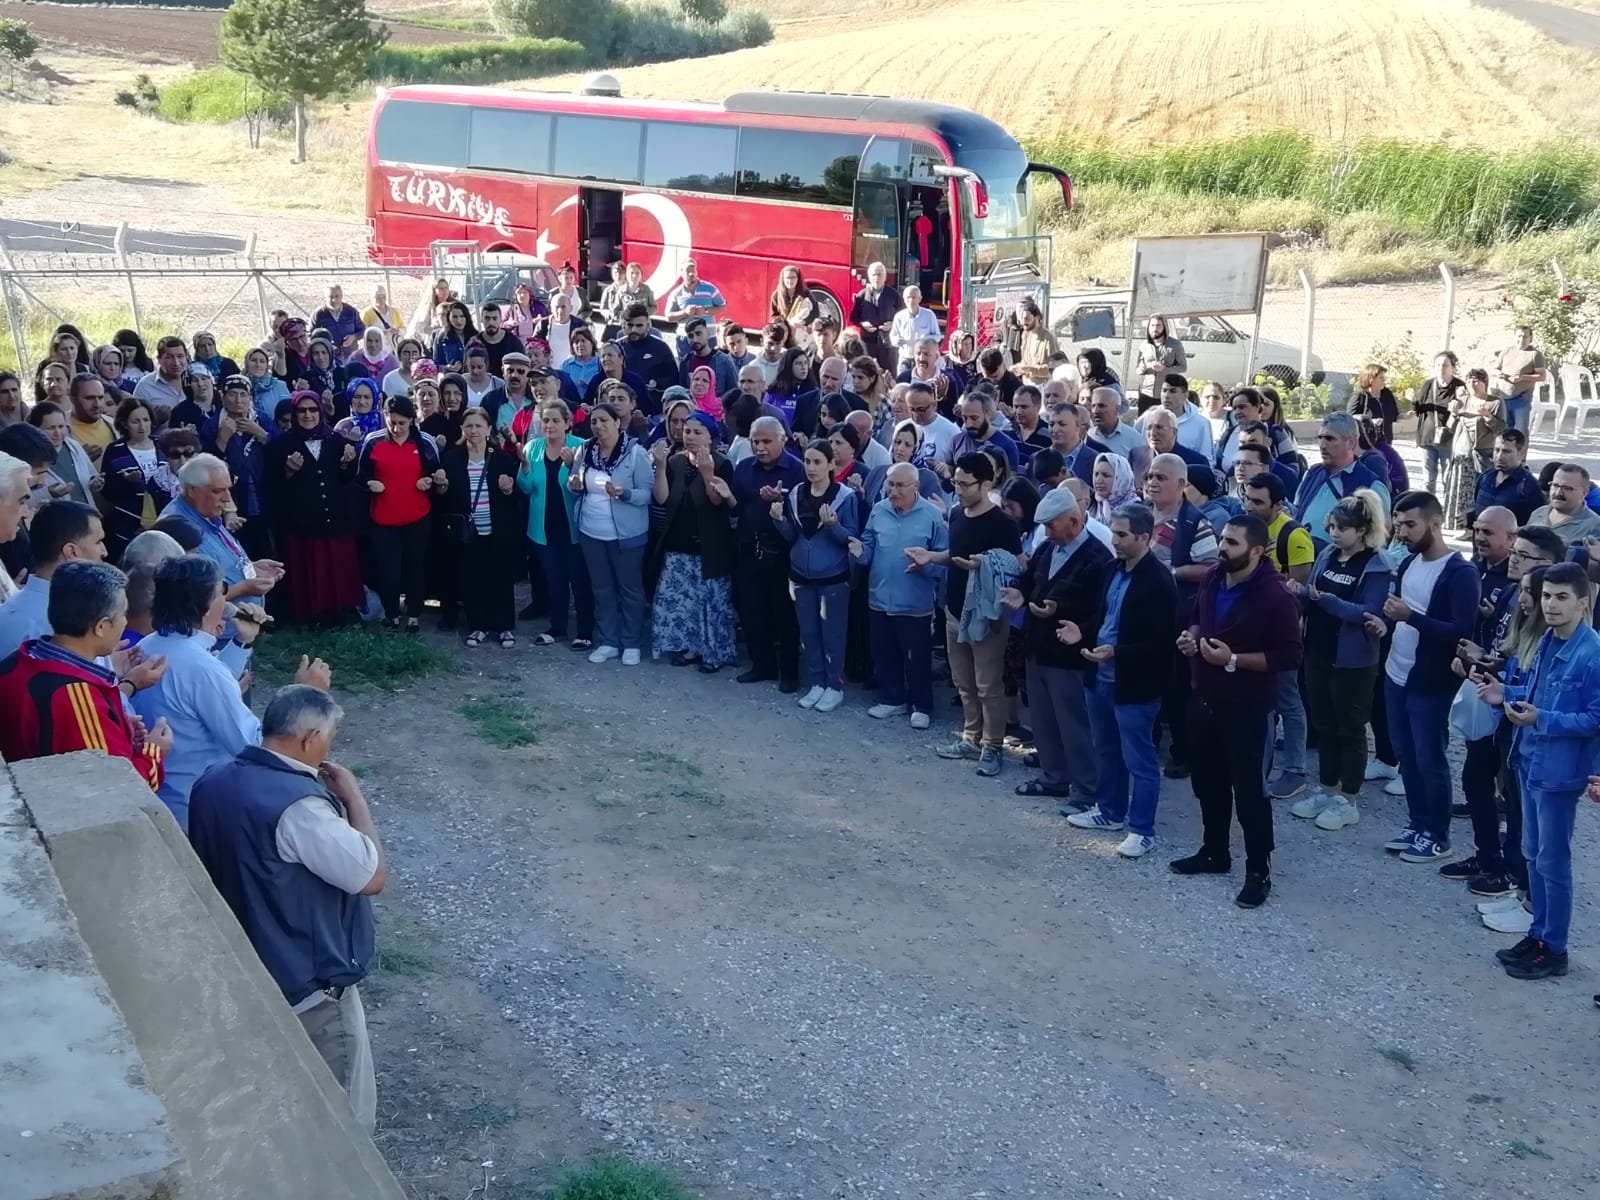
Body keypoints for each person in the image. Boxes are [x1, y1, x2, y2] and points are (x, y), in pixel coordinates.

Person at [187, 685, 384, 1132]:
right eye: (332, 734)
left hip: (247, 968)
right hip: (310, 984)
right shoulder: (302, 808)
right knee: (343, 1124)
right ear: (311, 737)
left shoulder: (211, 779)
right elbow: (370, 877)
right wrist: (354, 800)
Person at [132, 554, 329, 828]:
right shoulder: (200, 668)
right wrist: (303, 693)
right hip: (195, 811)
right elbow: (256, 745)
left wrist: (241, 643)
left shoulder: (148, 646)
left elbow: (199, 691)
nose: (225, 602)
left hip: (164, 797)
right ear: (205, 605)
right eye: (219, 594)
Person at [1168, 515, 1302, 906]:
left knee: (1250, 794)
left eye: (1232, 543)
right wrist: (1191, 637)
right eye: (1223, 540)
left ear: (1257, 551)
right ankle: (1214, 852)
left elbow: (1290, 656)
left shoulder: (1276, 596)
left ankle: (1258, 871)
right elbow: (1198, 617)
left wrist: (1234, 659)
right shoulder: (1213, 576)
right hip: (1205, 700)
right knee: (1207, 784)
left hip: (1249, 710)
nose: (1223, 548)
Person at [1476, 561, 1600, 979]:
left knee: (1552, 858)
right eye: (1547, 595)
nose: (1550, 604)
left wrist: (1541, 718)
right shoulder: (1548, 639)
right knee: (1532, 852)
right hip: (1528, 759)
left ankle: (1556, 947)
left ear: (1583, 602)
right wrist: (1502, 693)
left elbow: (1594, 718)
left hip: (1559, 771)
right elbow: (1532, 693)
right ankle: (1539, 934)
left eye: (1562, 597)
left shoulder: (1592, 653)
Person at [1059, 501, 1177, 850]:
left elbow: (1160, 643)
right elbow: (1105, 618)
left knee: (1140, 761)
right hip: (1101, 677)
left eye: (1122, 534)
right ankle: (1109, 812)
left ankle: (1142, 830)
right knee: (1106, 750)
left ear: (1145, 537)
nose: (1114, 539)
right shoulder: (1113, 569)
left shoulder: (1159, 582)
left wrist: (1117, 653)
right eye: (1113, 531)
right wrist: (1081, 632)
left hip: (1135, 686)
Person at [0, 560, 166, 789]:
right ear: (101, 626)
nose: (126, 622)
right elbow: (121, 789)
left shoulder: (16, 662)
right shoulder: (78, 698)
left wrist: (118, 729)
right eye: (123, 614)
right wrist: (155, 750)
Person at [1379, 490, 1480, 864]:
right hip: (1396, 673)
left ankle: (1438, 835)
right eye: (1398, 524)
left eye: (1409, 524)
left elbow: (1460, 631)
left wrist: (1411, 617)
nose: (1401, 532)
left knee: (1429, 758)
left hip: (1431, 683)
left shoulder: (1460, 573)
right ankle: (1417, 822)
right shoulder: (1408, 564)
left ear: (1435, 524)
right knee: (1405, 753)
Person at [997, 487, 1111, 805]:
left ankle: (1087, 789)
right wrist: (1020, 594)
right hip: (1039, 647)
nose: (1047, 532)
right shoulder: (1048, 547)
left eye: (1052, 525)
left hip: (1070, 658)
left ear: (1074, 521)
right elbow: (1029, 579)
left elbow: (1101, 611)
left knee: (1074, 725)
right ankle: (1053, 777)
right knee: (1044, 721)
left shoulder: (1098, 558)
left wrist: (1063, 616)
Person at [1289, 490, 1391, 832]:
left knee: (1350, 728)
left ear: (1362, 530)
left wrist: (1327, 601)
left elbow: (1368, 611)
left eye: (1342, 528)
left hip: (1353, 660)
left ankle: (1349, 798)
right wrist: (1300, 594)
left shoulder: (1376, 564)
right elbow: (1313, 594)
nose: (1334, 533)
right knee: (1324, 724)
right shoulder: (1329, 554)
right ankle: (1327, 789)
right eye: (1332, 526)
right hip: (1318, 650)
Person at [913, 453, 1019, 775]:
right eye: (955, 482)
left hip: (986, 615)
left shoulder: (1003, 523)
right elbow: (956, 555)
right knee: (964, 683)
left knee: (988, 684)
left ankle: (993, 746)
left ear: (986, 485)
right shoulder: (956, 514)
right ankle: (970, 737)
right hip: (955, 609)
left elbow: (1016, 566)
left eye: (964, 484)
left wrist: (983, 565)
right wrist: (931, 556)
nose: (956, 489)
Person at [846, 461, 947, 729]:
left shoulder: (932, 516)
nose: (893, 490)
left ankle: (921, 705)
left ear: (916, 487)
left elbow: (945, 558)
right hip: (879, 597)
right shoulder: (879, 510)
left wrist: (927, 566)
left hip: (915, 602)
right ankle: (892, 699)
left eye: (900, 485)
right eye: (890, 484)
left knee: (917, 658)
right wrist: (860, 551)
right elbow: (868, 543)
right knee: (884, 652)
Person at [646, 411, 737, 671]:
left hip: (710, 546)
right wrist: (661, 466)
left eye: (698, 432)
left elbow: (717, 501)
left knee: (710, 603)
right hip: (678, 543)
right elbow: (662, 499)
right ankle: (689, 647)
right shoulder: (675, 462)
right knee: (683, 601)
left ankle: (712, 653)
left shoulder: (722, 463)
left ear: (711, 436)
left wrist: (708, 474)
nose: (691, 437)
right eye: (687, 431)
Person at [774, 438, 860, 713]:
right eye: (808, 461)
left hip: (833, 578)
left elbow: (852, 538)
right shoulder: (796, 493)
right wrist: (779, 521)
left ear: (831, 464)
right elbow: (792, 537)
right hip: (800, 577)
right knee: (808, 633)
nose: (811, 468)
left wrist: (834, 526)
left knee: (832, 635)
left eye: (817, 462)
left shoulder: (845, 496)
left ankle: (834, 685)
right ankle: (816, 683)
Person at [265, 391, 362, 625]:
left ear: (320, 411)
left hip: (335, 518)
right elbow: (271, 484)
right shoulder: (282, 443)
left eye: (313, 410)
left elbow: (346, 480)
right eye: (302, 411)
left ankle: (339, 613)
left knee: (336, 567)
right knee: (308, 569)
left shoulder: (336, 440)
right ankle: (311, 616)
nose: (308, 415)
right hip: (302, 520)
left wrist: (347, 463)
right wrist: (288, 471)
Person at [569, 403, 652, 664]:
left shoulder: (636, 453)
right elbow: (575, 483)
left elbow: (647, 495)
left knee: (629, 589)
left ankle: (631, 643)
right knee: (602, 589)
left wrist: (624, 493)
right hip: (591, 532)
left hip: (626, 535)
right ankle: (608, 641)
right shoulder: (585, 449)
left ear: (618, 423)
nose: (599, 426)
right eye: (594, 421)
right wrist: (574, 484)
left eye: (604, 420)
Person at [357, 396, 445, 633]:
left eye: (402, 423)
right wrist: (370, 483)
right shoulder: (373, 441)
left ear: (412, 421)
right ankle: (392, 614)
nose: (396, 428)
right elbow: (361, 477)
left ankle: (414, 614)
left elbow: (437, 473)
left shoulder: (425, 442)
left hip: (418, 517)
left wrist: (430, 479)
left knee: (415, 567)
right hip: (383, 519)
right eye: (391, 422)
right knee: (389, 571)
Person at [731, 416, 804, 692]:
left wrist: (780, 503)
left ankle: (789, 673)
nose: (760, 447)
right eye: (755, 441)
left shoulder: (796, 470)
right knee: (752, 611)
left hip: (783, 552)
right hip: (749, 548)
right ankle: (761, 665)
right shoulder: (743, 468)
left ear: (782, 440)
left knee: (784, 614)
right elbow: (736, 507)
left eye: (766, 441)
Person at [438, 406, 519, 648]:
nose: (474, 430)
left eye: (479, 426)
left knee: (501, 579)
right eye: (469, 426)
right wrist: (440, 486)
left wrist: (508, 488)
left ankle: (504, 627)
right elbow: (443, 497)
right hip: (468, 532)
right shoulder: (452, 457)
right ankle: (479, 626)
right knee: (473, 579)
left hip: (498, 529)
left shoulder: (500, 456)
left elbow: (513, 495)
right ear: (462, 428)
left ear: (488, 429)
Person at [519, 401, 593, 648]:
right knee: (555, 580)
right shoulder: (532, 447)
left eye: (555, 420)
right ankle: (558, 628)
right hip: (542, 529)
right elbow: (526, 488)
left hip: (573, 528)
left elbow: (585, 489)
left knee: (579, 582)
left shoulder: (581, 447)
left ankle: (584, 631)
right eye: (545, 420)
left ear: (568, 423)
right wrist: (525, 467)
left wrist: (573, 465)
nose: (549, 425)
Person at [162, 453, 284, 601]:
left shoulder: (206, 513)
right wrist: (243, 589)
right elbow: (193, 596)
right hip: (217, 622)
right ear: (192, 490)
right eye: (217, 491)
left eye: (228, 489)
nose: (227, 498)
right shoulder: (176, 528)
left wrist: (251, 568)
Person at [0, 500, 107, 658]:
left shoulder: (7, 614)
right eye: (98, 542)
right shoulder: (64, 626)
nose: (104, 552)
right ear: (71, 551)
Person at [1294, 412, 1390, 548]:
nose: (1322, 445)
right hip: (1302, 559)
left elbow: (1379, 538)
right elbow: (1297, 510)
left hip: (1342, 565)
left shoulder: (1371, 485)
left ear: (1351, 442)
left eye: (1330, 438)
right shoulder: (1312, 474)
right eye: (1320, 438)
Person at [99, 397, 169, 561]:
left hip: (164, 520)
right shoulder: (115, 450)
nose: (142, 426)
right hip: (127, 526)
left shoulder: (163, 445)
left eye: (146, 420)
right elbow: (107, 490)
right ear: (124, 423)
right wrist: (126, 482)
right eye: (135, 421)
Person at [1413, 350, 1467, 494]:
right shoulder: (1428, 384)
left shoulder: (1459, 386)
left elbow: (1465, 408)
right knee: (1428, 479)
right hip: (1427, 437)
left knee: (1448, 476)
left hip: (1449, 438)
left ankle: (1447, 510)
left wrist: (1459, 404)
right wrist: (1412, 400)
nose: (1441, 369)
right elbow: (1418, 407)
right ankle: (1427, 509)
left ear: (1453, 368)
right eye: (1438, 365)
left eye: (1445, 365)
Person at [28, 402, 96, 506]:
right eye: (50, 428)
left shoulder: (73, 446)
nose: (58, 433)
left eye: (61, 426)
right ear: (35, 429)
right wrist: (48, 493)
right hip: (56, 520)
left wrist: (95, 483)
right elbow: (21, 499)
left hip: (86, 515)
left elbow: (92, 475)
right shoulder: (27, 459)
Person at [1471, 429, 1541, 525]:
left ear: (1521, 454)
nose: (1499, 457)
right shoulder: (1485, 478)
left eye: (1506, 451)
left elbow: (1534, 525)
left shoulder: (1529, 487)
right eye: (1497, 450)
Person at [619, 303, 679, 411]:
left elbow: (674, 378)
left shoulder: (661, 348)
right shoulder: (617, 348)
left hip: (653, 409)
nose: (634, 330)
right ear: (623, 325)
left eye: (639, 326)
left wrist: (657, 383)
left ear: (648, 324)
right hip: (622, 407)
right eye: (630, 325)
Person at [1490, 323, 1547, 435]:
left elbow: (1542, 376)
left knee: (1521, 432)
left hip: (1521, 398)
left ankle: (1522, 452)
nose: (1522, 339)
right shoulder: (1507, 351)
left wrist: (1523, 377)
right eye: (1519, 336)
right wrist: (1498, 374)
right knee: (1504, 431)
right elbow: (1494, 369)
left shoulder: (1535, 354)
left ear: (1530, 338)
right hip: (1503, 396)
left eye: (1525, 336)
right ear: (1515, 337)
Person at [1529, 463, 1600, 545]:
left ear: (1584, 493)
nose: (1558, 492)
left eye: (1567, 488)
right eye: (1555, 485)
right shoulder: (1538, 513)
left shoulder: (1594, 527)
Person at [850, 262, 901, 372]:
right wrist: (863, 324)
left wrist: (893, 324)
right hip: (868, 342)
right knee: (868, 371)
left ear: (885, 277)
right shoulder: (862, 295)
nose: (877, 277)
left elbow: (902, 315)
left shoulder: (893, 294)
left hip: (888, 343)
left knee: (888, 373)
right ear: (869, 277)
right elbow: (853, 317)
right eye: (874, 274)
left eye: (880, 274)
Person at [1085, 387, 1148, 477]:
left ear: (1117, 409)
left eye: (1101, 406)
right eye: (1093, 406)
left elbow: (1142, 474)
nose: (1096, 411)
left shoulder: (1134, 440)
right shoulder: (1088, 436)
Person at [1135, 316, 1187, 410]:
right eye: (1152, 325)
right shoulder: (1144, 345)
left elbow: (1183, 367)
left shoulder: (1175, 345)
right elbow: (1138, 369)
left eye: (1158, 325)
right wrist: (1143, 368)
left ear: (1164, 327)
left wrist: (1165, 369)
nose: (1155, 329)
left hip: (1166, 395)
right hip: (1146, 393)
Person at [132, 336, 190, 414]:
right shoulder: (145, 386)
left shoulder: (198, 381)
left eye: (180, 356)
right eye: (169, 357)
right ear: (159, 360)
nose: (176, 363)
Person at [888, 286, 940, 372]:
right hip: (905, 358)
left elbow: (937, 336)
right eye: (908, 297)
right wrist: (897, 340)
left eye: (914, 297)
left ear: (920, 299)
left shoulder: (929, 315)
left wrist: (925, 340)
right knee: (902, 383)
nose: (911, 300)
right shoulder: (899, 316)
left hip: (923, 359)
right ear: (904, 299)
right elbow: (893, 336)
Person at [663, 258, 726, 325]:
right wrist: (685, 312)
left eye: (693, 271)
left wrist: (705, 310)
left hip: (709, 334)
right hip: (686, 335)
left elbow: (723, 308)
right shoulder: (676, 293)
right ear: (681, 273)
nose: (691, 274)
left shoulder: (710, 288)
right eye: (688, 271)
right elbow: (668, 317)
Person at [314, 284, 364, 357]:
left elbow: (363, 330)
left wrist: (353, 337)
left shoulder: (351, 312)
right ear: (325, 297)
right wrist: (324, 342)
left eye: (337, 296)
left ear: (341, 296)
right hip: (328, 357)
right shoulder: (319, 314)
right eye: (331, 297)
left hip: (350, 356)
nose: (334, 300)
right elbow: (311, 335)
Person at [431, 301, 477, 373]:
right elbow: (436, 364)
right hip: (452, 379)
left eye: (462, 316)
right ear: (449, 318)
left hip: (473, 378)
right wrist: (447, 367)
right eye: (454, 317)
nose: (458, 320)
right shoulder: (442, 337)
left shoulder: (476, 336)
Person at [360, 284, 405, 349]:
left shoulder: (394, 311)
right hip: (375, 348)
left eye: (384, 297)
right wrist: (380, 333)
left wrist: (398, 331)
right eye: (378, 297)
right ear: (372, 298)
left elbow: (403, 328)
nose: (381, 300)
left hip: (393, 347)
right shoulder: (366, 313)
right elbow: (362, 333)